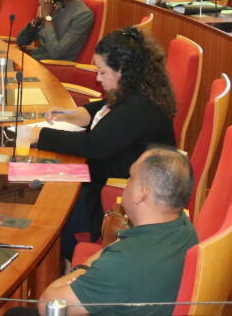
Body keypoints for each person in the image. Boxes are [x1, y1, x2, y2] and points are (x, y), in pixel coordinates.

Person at [30, 26, 176, 260]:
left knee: (48, 191)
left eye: (102, 72)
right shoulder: (137, 89)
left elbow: (93, 146)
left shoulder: (138, 107)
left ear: (123, 71)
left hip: (119, 189)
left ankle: (60, 256)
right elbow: (106, 106)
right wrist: (76, 114)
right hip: (114, 169)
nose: (98, 79)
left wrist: (40, 136)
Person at [34, 148, 197, 316]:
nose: (127, 183)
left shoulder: (123, 262)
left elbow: (48, 306)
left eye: (131, 177)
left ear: (141, 193)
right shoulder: (184, 226)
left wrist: (84, 268)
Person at [16, 0, 94, 61]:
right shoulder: (56, 6)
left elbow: (56, 53)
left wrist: (47, 18)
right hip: (35, 59)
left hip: (53, 66)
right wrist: (38, 20)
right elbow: (21, 41)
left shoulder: (83, 15)